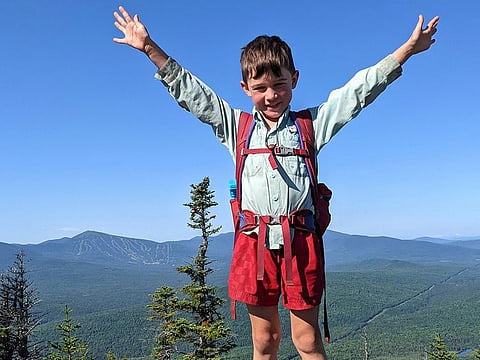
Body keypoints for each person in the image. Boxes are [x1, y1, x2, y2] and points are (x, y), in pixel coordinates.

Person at [113, 6, 439, 359]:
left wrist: (406, 50)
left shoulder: (311, 125)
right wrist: (149, 48)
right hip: (254, 247)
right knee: (265, 341)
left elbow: (357, 92)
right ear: (245, 87)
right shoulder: (236, 127)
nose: (271, 95)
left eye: (280, 84)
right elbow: (195, 95)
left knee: (307, 341)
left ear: (294, 79)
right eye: (260, 87)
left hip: (301, 244)